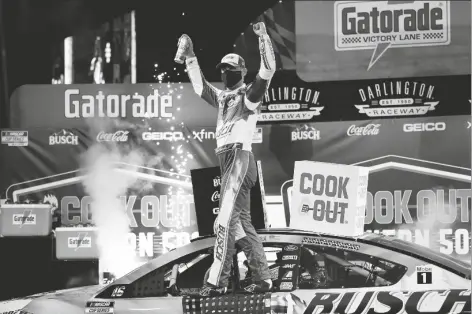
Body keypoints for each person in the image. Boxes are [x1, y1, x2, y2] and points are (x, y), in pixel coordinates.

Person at [179, 22, 276, 296]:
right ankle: (263, 278)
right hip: (230, 161)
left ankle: (217, 283)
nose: (226, 74)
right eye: (223, 70)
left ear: (242, 72)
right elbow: (200, 87)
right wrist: (190, 56)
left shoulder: (249, 96)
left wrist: (263, 38)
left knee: (223, 222)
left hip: (239, 158)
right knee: (241, 226)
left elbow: (268, 71)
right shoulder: (223, 98)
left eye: (231, 71)